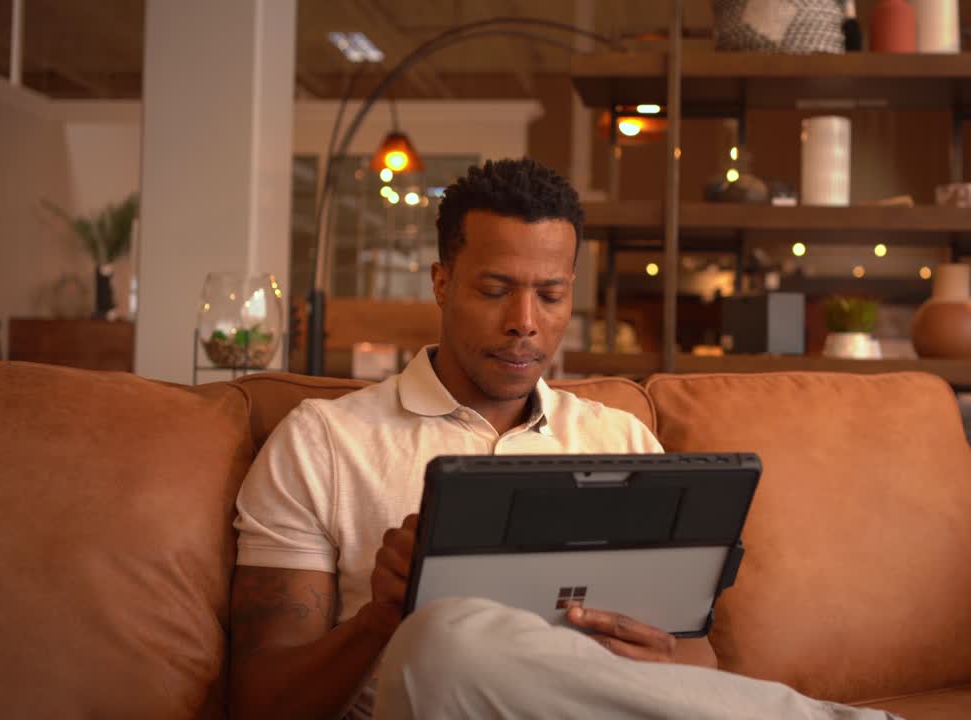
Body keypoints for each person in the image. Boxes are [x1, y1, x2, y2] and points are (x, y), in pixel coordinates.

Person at [228, 158, 900, 720]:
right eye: (495, 290)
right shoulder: (323, 442)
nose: (525, 322)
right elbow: (260, 702)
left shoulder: (619, 441)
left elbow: (704, 669)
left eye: (550, 296)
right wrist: (381, 619)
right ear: (441, 283)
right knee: (438, 635)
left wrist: (658, 652)